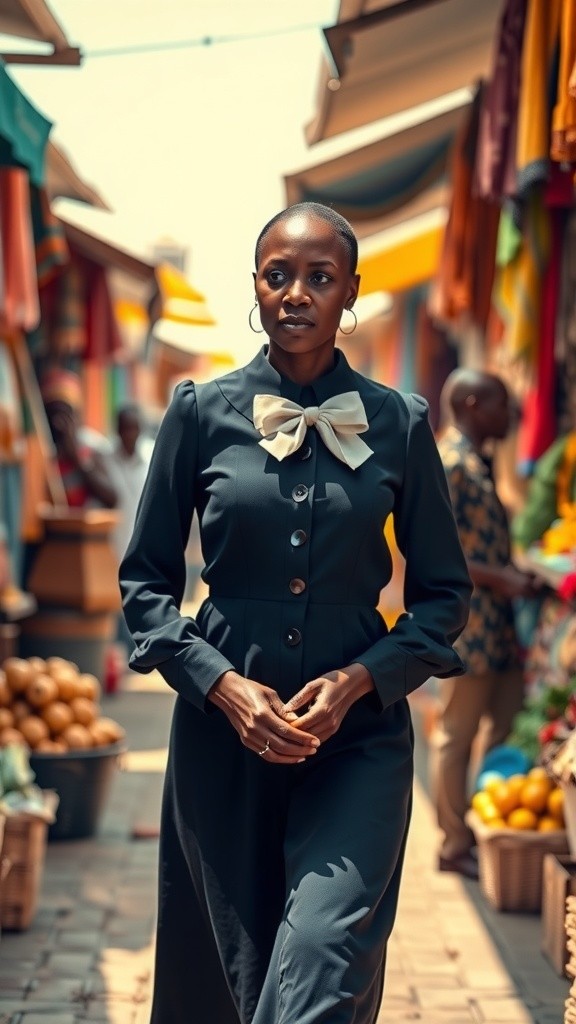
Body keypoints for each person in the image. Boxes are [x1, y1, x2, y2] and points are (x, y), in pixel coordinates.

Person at [119, 201, 472, 1024]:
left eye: (319, 278)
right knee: (231, 976)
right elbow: (144, 585)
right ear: (255, 286)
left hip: (358, 741)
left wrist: (362, 680)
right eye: (278, 276)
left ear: (351, 291)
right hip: (222, 744)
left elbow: (444, 596)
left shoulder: (398, 423)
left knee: (321, 958)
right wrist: (219, 685)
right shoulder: (200, 413)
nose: (296, 294)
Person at [430, 369, 541, 880]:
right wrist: (504, 580)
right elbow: (438, 554)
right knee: (457, 735)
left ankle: (484, 830)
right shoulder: (452, 463)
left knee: (504, 727)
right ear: (473, 404)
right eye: (500, 403)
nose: (511, 413)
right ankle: (453, 844)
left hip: (494, 630)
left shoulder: (475, 462)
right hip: (467, 629)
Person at [40, 368, 117, 510]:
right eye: (53, 414)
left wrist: (76, 457)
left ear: (75, 416)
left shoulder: (91, 447)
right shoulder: (40, 451)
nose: (58, 423)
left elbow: (112, 499)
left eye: (65, 415)